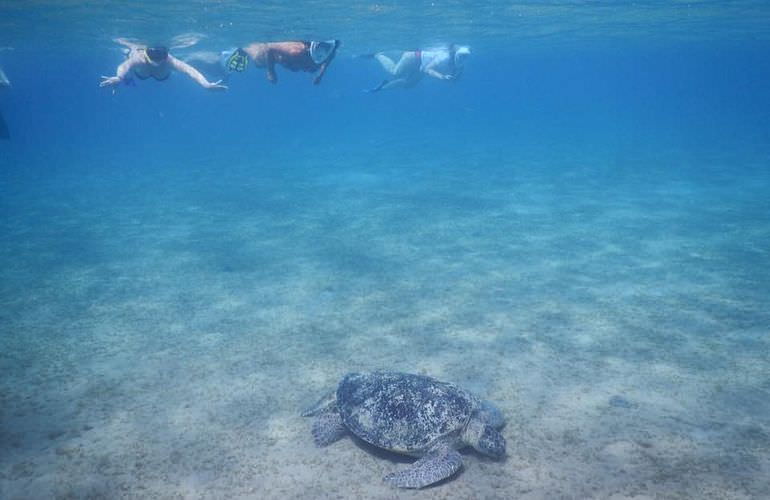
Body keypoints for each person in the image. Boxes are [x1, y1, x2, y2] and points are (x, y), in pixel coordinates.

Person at [100, 38, 227, 90]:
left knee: (179, 66)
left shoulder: (170, 61)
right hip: (141, 72)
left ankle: (127, 79)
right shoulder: (139, 58)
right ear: (146, 52)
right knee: (130, 68)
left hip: (162, 75)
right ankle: (127, 77)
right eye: (153, 54)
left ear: (166, 54)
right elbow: (124, 66)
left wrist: (206, 84)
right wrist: (119, 77)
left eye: (161, 54)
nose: (157, 59)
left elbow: (190, 71)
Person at [222, 40, 340, 85]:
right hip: (277, 54)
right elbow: (269, 47)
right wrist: (271, 72)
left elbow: (329, 58)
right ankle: (244, 49)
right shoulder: (296, 51)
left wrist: (320, 74)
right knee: (259, 62)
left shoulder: (329, 53)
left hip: (293, 62)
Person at [361, 44, 470, 92]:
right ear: (456, 54)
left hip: (421, 66)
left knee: (409, 85)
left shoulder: (460, 63)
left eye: (465, 57)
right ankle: (377, 55)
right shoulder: (444, 57)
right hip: (414, 57)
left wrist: (454, 78)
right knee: (395, 72)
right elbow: (428, 69)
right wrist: (442, 77)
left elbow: (454, 79)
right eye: (462, 56)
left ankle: (384, 86)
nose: (463, 59)